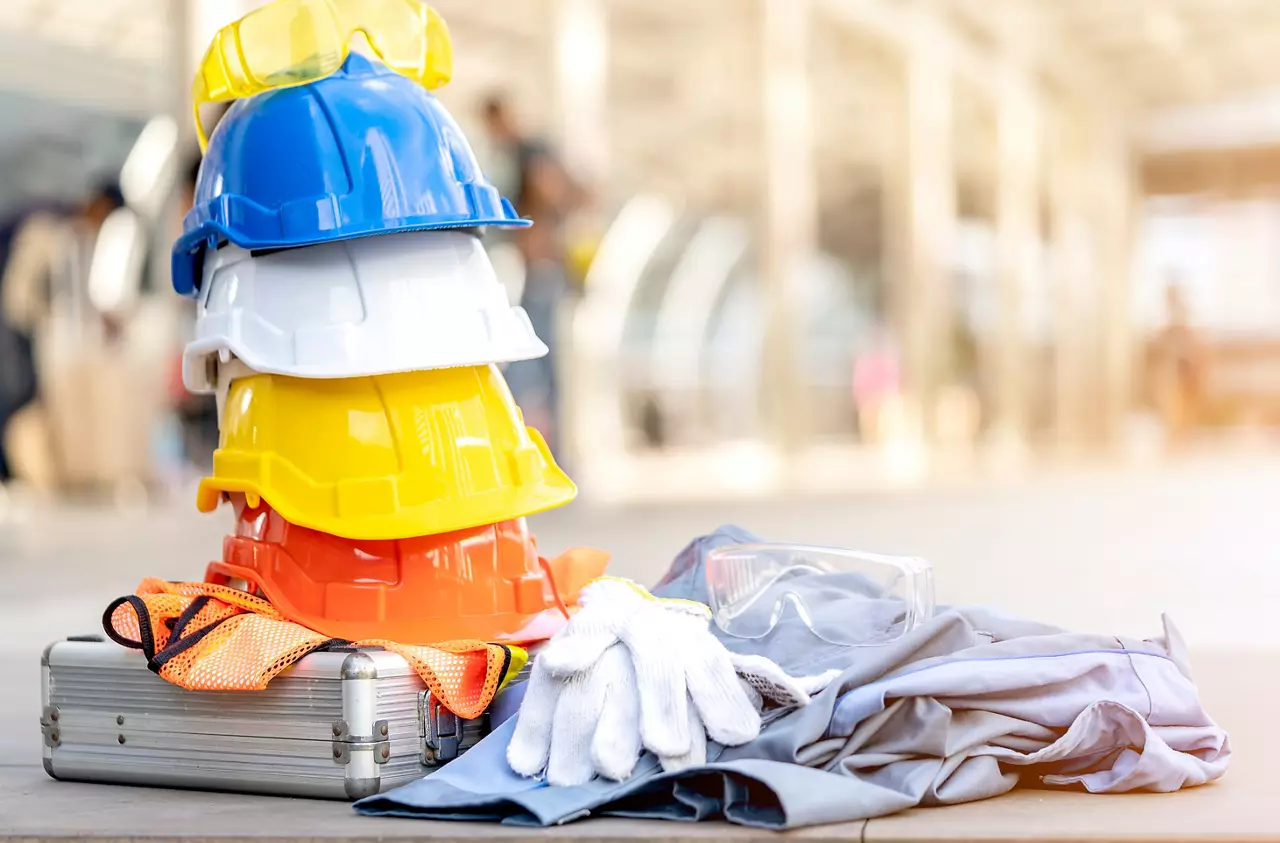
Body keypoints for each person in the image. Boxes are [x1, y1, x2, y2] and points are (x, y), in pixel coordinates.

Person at [481, 93, 587, 458]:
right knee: (537, 360)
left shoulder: (531, 152)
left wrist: (535, 233)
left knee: (535, 359)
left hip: (544, 269)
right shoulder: (520, 154)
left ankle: (541, 449)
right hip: (538, 268)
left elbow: (552, 190)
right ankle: (542, 447)